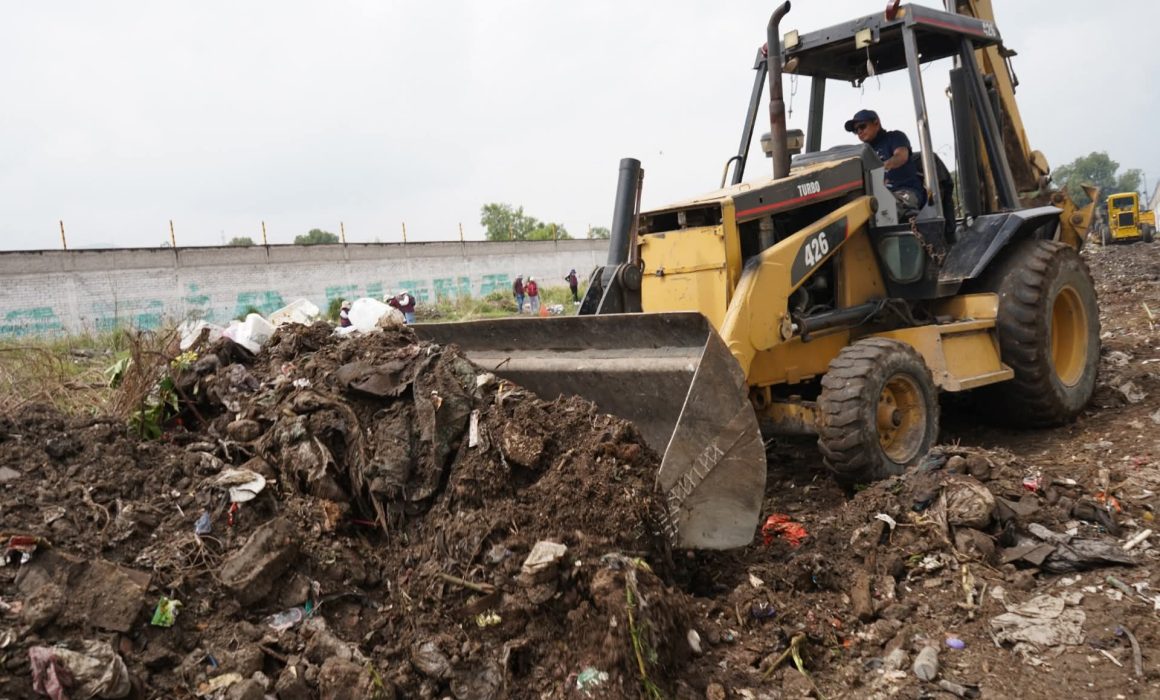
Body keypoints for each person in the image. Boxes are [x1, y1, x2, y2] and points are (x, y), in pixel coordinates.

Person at [844, 109, 926, 217]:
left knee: (879, 209)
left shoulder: (895, 137)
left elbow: (901, 156)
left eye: (862, 126)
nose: (859, 131)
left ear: (876, 123)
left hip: (904, 192)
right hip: (876, 198)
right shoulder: (862, 152)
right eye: (855, 130)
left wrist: (880, 168)